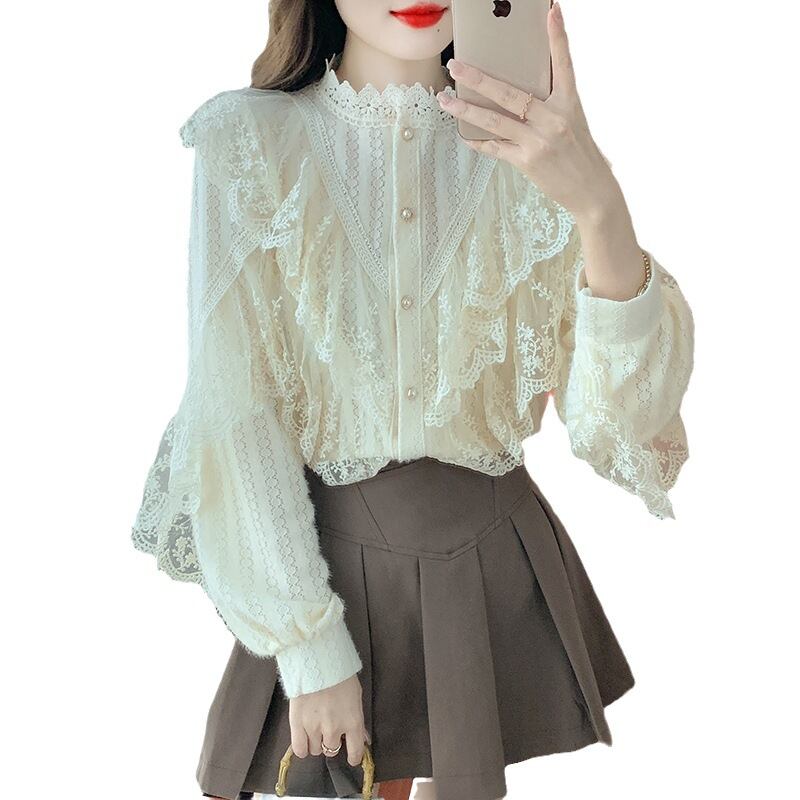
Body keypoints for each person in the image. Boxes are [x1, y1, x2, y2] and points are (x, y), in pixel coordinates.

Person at [130, 2, 695, 799]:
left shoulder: (536, 157)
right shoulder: (251, 144)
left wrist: (599, 206)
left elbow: (621, 429)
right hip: (324, 569)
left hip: (492, 560)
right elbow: (236, 414)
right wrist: (311, 650)